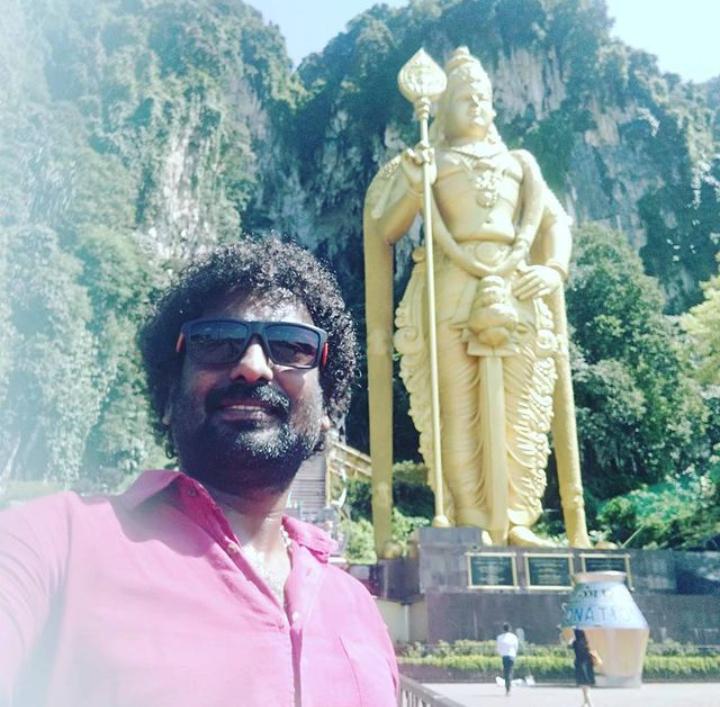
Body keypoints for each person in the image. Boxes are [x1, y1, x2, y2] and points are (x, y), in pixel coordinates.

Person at [0, 238, 399, 706]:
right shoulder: (54, 547)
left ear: (328, 407)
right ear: (169, 396)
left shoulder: (357, 608)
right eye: (216, 342)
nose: (253, 367)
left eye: (291, 346)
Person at [364, 46, 589, 547]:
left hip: (516, 284)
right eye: (465, 97)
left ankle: (517, 518)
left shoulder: (519, 164)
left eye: (483, 97)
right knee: (457, 409)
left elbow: (555, 223)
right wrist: (414, 186)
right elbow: (385, 229)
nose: (477, 105)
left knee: (520, 407)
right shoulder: (433, 161)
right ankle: (470, 519)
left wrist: (553, 268)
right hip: (451, 285)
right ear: (444, 109)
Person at [570, 628, 595, 706]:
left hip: (580, 665)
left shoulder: (575, 643)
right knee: (586, 687)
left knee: (584, 686)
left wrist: (571, 640)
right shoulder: (585, 642)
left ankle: (590, 704)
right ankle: (585, 703)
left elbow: (569, 646)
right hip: (587, 665)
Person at [496, 623, 519, 695]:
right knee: (510, 671)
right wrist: (514, 654)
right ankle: (509, 686)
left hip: (504, 656)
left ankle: (507, 688)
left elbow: (498, 648)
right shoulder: (514, 637)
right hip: (512, 656)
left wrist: (500, 653)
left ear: (503, 629)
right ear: (510, 629)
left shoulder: (500, 637)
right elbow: (516, 647)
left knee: (506, 672)